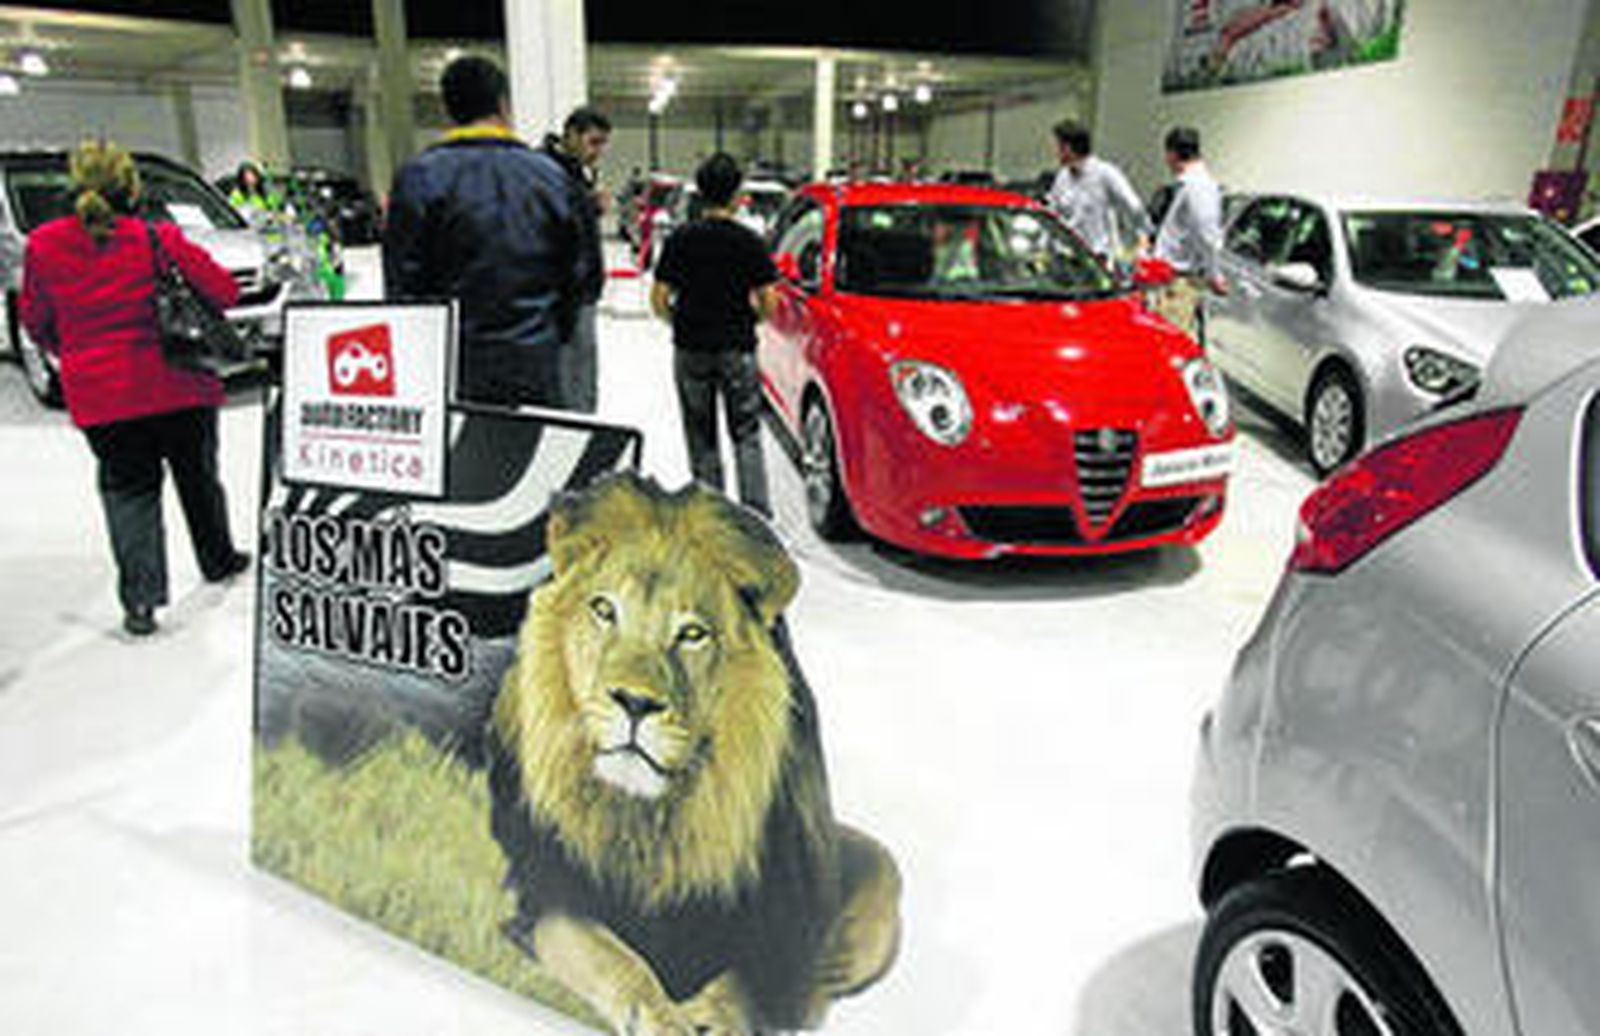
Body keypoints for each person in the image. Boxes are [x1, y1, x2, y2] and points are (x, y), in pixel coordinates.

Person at [21, 140, 250, 637]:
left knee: (128, 492)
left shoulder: (42, 244)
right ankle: (218, 558)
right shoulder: (158, 238)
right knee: (198, 477)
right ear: (132, 186)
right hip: (180, 386)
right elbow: (224, 292)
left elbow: (35, 323)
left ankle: (141, 603)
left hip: (102, 398)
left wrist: (78, 352)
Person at [383, 55, 578, 409]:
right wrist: (552, 329)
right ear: (504, 104)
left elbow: (403, 285)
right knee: (539, 458)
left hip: (455, 366)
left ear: (448, 108)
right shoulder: (551, 176)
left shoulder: (419, 177)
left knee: (463, 460)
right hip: (536, 358)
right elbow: (582, 275)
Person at [650, 153, 781, 516]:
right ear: (737, 194)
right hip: (737, 347)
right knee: (747, 433)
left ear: (701, 193)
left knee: (700, 433)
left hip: (691, 348)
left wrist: (678, 321)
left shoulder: (680, 239)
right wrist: (749, 319)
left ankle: (711, 516)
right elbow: (770, 301)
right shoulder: (749, 242)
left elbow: (658, 299)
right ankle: (756, 517)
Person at [538, 107, 612, 413]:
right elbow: (551, 227)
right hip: (564, 295)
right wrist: (587, 205)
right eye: (593, 142)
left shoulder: (571, 170)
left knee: (580, 374)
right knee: (572, 380)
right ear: (570, 135)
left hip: (579, 291)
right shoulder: (545, 170)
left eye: (602, 144)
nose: (598, 152)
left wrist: (590, 207)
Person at [1151, 125, 1228, 337]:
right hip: (1170, 281)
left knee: (1169, 344)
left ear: (1173, 154)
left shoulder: (1199, 186)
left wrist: (1215, 275)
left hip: (1181, 283)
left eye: (1167, 155)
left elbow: (1207, 234)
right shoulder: (1189, 185)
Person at [1047, 120, 1152, 267]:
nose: (1055, 152)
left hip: (1100, 261)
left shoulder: (1105, 174)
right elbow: (1053, 214)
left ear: (1068, 148)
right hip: (1069, 260)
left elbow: (1133, 207)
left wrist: (1143, 239)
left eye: (1058, 147)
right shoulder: (1062, 178)